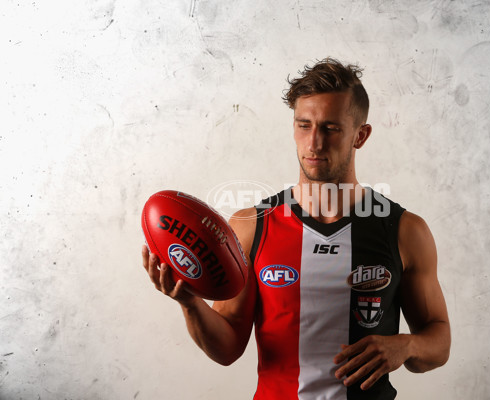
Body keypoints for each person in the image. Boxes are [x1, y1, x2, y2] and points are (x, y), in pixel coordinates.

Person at [142, 58, 450, 399]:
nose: (314, 143)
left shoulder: (405, 231)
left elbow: (439, 343)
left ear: (360, 136)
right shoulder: (251, 228)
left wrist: (405, 346)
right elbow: (227, 349)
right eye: (304, 125)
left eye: (331, 128)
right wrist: (190, 303)